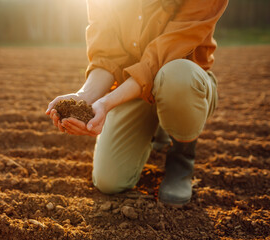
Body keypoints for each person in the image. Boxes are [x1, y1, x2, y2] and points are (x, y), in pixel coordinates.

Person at [46, 0, 228, 207]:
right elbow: (107, 57)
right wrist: (85, 97)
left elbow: (164, 56)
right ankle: (158, 127)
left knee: (178, 76)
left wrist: (107, 102)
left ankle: (182, 158)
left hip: (183, 84)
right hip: (131, 91)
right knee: (109, 182)